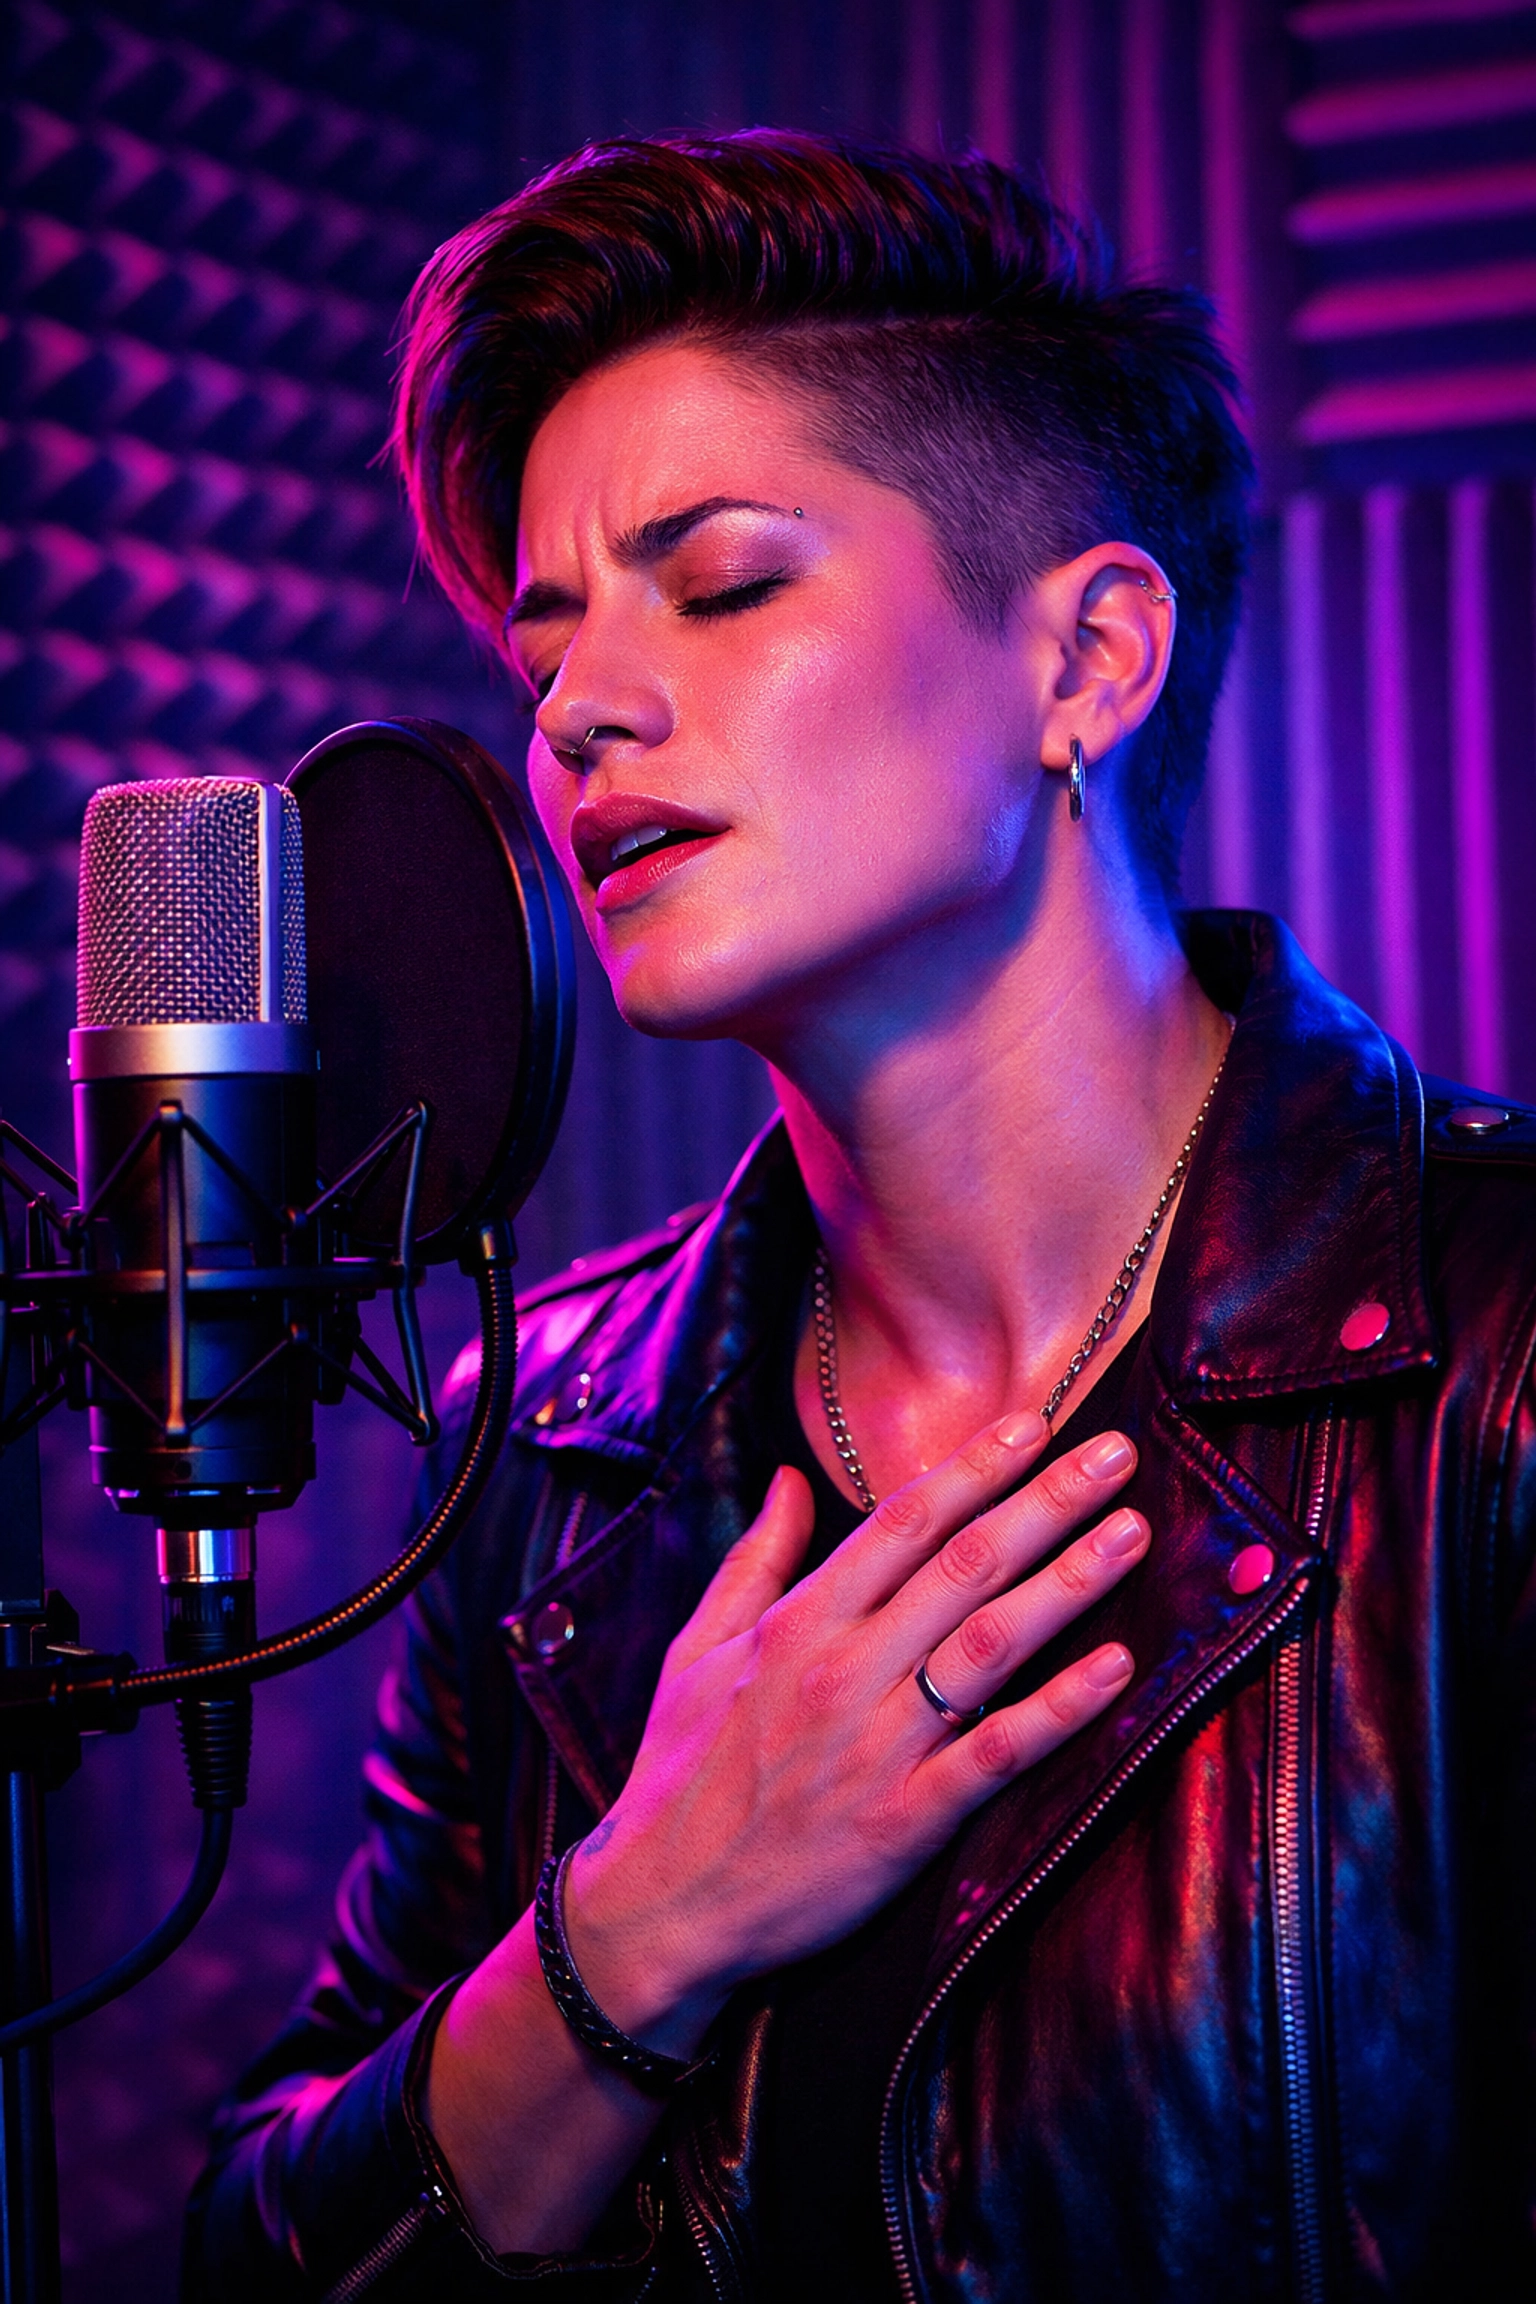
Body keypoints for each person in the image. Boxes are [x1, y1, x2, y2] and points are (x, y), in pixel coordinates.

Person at [184, 133, 1536, 2301]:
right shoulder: (546, 1436)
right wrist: (649, 1917)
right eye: (547, 646)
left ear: (1086, 658)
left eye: (716, 586)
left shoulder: (1498, 1357)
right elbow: (273, 2257)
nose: (582, 713)